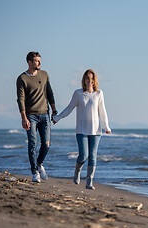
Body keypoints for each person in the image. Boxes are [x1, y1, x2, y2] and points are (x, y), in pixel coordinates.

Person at [52, 69, 111, 190]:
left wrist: (106, 126)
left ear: (95, 81)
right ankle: (77, 171)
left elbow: (102, 111)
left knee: (93, 156)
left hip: (96, 131)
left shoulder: (99, 93)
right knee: (83, 155)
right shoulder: (78, 94)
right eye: (87, 79)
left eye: (91, 79)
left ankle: (89, 181)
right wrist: (57, 118)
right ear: (84, 80)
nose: (89, 81)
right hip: (81, 130)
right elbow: (69, 108)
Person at [16, 51, 57, 183]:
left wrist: (54, 109)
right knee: (32, 145)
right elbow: (20, 99)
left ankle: (39, 164)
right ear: (29, 62)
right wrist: (24, 117)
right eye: (36, 61)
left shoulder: (44, 74)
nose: (39, 63)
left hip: (45, 114)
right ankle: (34, 173)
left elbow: (49, 92)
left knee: (46, 144)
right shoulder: (22, 79)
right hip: (31, 116)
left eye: (40, 60)